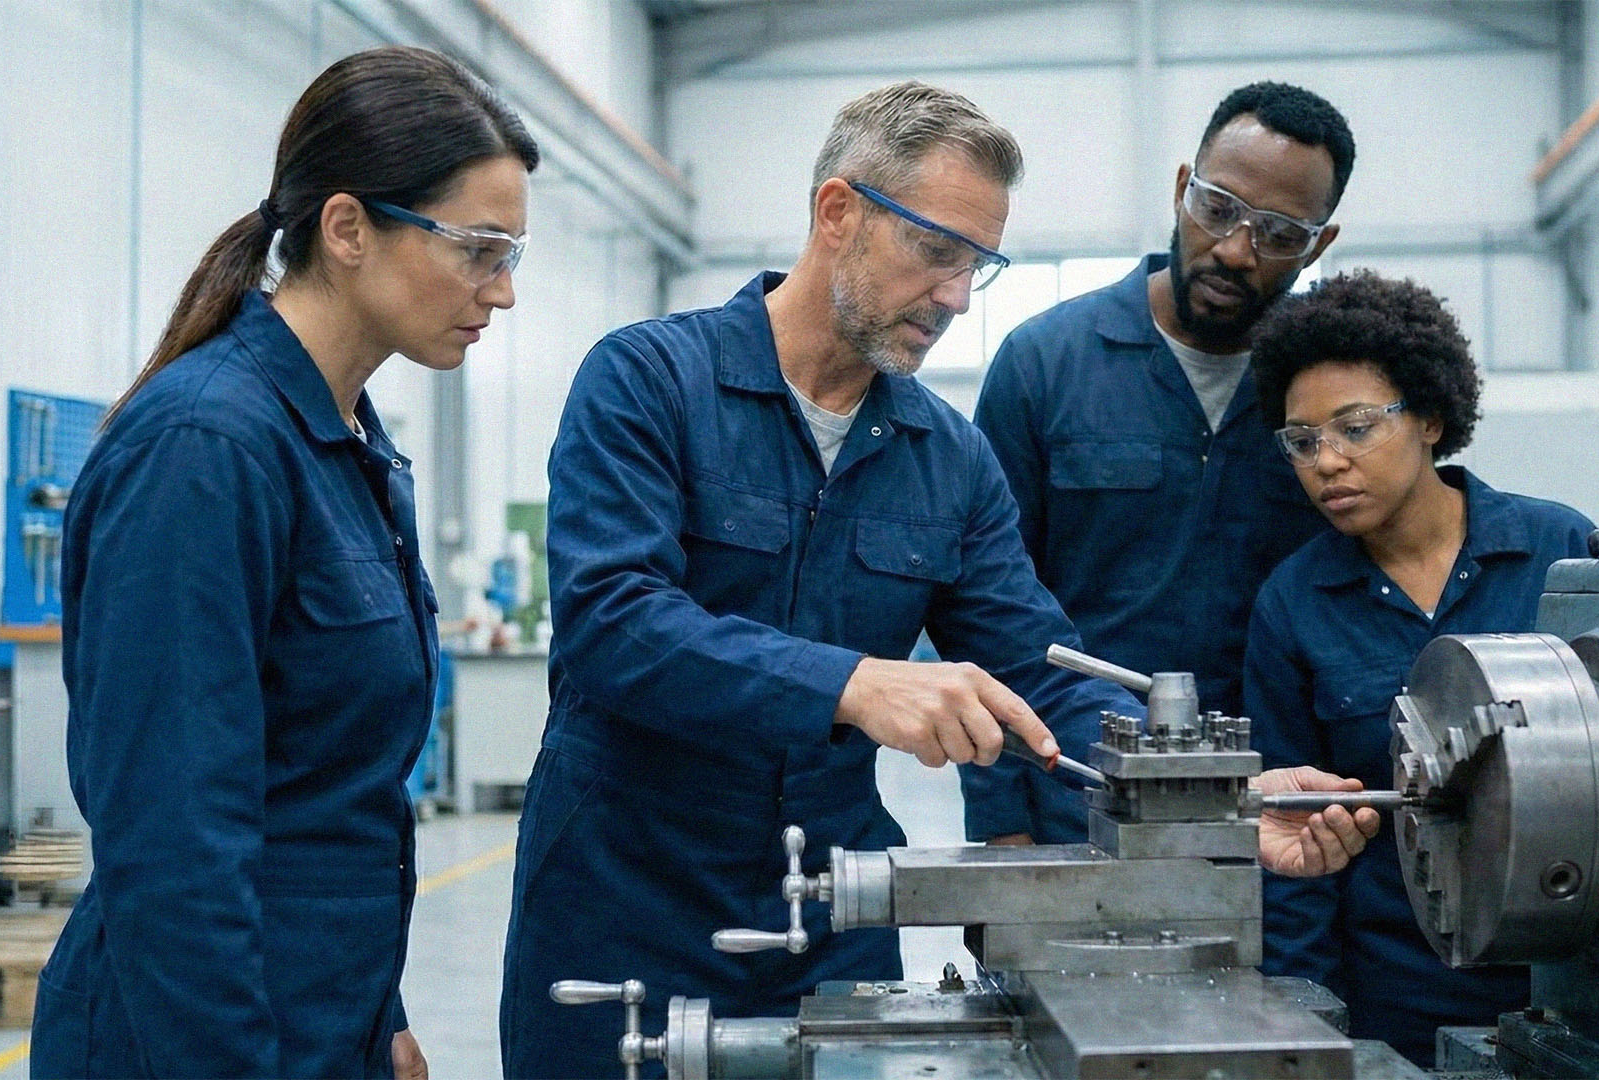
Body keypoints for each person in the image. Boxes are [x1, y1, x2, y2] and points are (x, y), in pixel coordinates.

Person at [501, 80, 1379, 1080]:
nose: (958, 297)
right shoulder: (649, 382)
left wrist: (1213, 792)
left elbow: (1037, 671)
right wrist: (854, 684)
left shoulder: (946, 458)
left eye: (979, 265)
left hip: (831, 916)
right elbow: (615, 627)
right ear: (839, 213)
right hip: (622, 904)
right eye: (936, 251)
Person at [28, 46, 537, 1079]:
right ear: (348, 228)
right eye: (481, 249)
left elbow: (331, 793)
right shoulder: (207, 449)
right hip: (194, 1038)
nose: (504, 291)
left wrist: (375, 1013)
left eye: (512, 255)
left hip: (320, 1015)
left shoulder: (349, 444)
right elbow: (174, 843)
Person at [967, 82, 1350, 846]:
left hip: (1274, 819)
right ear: (1182, 190)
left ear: (1320, 245)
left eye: (1278, 233)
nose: (1237, 249)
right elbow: (985, 615)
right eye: (1218, 209)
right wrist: (1003, 832)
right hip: (1072, 806)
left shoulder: (1332, 392)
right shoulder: (1046, 366)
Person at [1242, 269, 1595, 1065]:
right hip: (1392, 999)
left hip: (1571, 992)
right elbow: (1290, 848)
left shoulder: (1560, 554)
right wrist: (1310, 1028)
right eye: (1302, 441)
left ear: (1431, 417)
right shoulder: (1295, 604)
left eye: (1356, 428)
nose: (1326, 462)